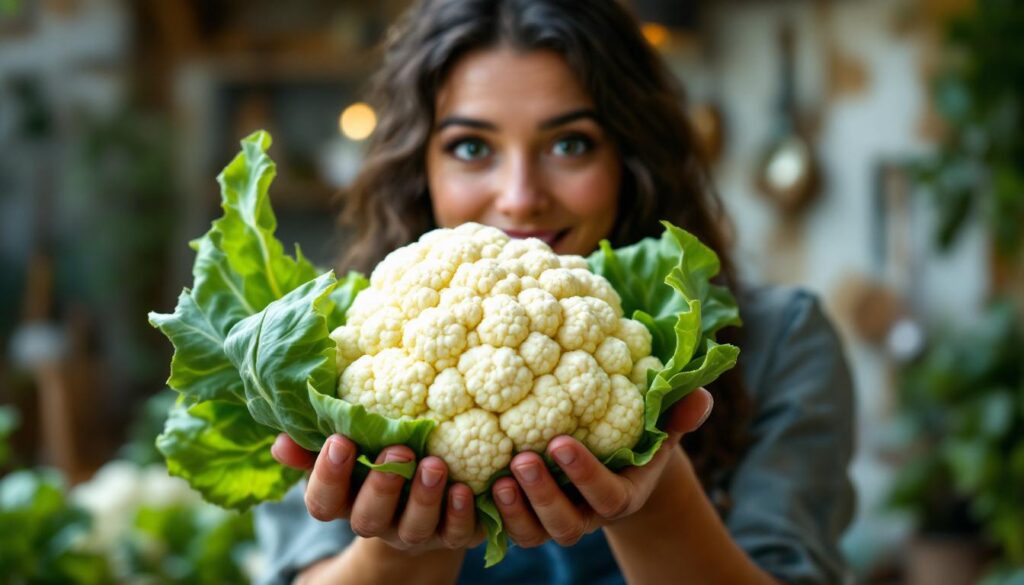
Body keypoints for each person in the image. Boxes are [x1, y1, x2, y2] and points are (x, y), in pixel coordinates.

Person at [256, 0, 855, 584]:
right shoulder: (332, 351)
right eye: (472, 147)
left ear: (633, 156)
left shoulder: (780, 341)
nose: (520, 197)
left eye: (570, 144)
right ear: (420, 168)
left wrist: (654, 490)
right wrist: (405, 546)